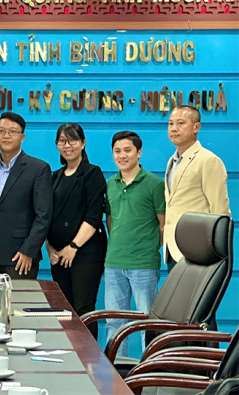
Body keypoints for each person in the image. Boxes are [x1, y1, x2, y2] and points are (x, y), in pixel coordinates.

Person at [105, 131, 165, 357]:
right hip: (113, 263)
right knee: (114, 323)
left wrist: (147, 248)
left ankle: (147, 375)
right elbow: (110, 220)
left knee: (146, 324)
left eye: (127, 150)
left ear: (139, 153)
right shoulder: (110, 183)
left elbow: (163, 224)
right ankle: (117, 373)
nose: (122, 155)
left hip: (144, 264)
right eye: (117, 151)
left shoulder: (154, 184)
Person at [45, 123, 107, 339]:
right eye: (62, 140)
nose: (67, 145)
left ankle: (88, 363)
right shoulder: (55, 176)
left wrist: (73, 247)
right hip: (59, 256)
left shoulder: (92, 173)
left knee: (83, 310)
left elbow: (93, 216)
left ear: (83, 143)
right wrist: (50, 247)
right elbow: (47, 217)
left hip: (85, 254)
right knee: (63, 310)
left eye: (72, 140)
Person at [0, 112, 52, 280]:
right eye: (1, 131)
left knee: (18, 305)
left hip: (20, 257)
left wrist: (28, 250)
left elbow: (43, 216)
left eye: (12, 131)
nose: (6, 135)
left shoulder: (38, 169)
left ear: (22, 137)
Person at [164, 105, 230, 272]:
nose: (174, 128)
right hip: (174, 248)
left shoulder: (208, 160)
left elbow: (220, 211)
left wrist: (216, 252)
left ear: (196, 127)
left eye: (180, 123)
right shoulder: (172, 161)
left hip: (199, 250)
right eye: (170, 124)